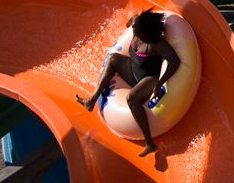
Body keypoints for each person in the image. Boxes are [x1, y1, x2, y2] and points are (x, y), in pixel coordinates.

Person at [77, 9, 182, 157]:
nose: (133, 29)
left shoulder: (157, 43)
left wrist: (161, 82)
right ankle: (92, 99)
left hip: (149, 77)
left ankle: (149, 143)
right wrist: (131, 23)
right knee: (113, 58)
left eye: (136, 28)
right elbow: (131, 21)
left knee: (131, 98)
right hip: (133, 70)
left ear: (146, 32)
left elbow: (175, 61)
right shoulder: (136, 25)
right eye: (134, 27)